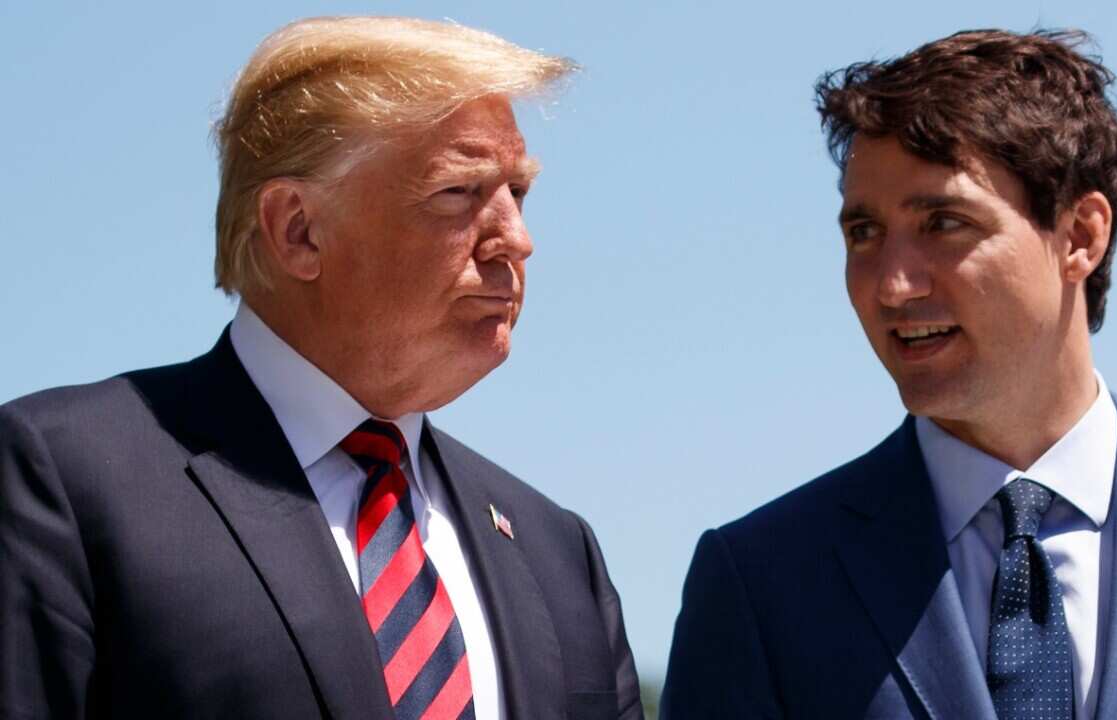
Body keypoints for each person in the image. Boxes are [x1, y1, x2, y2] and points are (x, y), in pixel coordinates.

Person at [0, 17, 640, 720]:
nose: (516, 240)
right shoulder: (63, 477)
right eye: (460, 193)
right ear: (297, 230)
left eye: (517, 193)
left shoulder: (558, 554)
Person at [662, 28, 1117, 719]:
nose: (892, 285)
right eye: (863, 233)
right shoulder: (761, 583)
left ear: (1080, 236)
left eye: (944, 223)